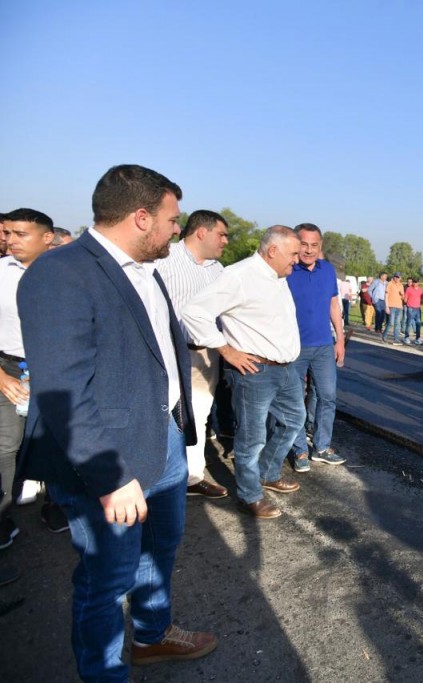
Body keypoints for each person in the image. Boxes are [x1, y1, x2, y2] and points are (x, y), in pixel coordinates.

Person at [18, 165, 217, 680]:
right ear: (141, 216)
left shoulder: (146, 270)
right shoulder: (60, 272)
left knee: (160, 550)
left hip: (165, 441)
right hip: (107, 461)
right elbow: (61, 389)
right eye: (172, 220)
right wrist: (109, 476)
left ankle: (151, 637)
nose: (178, 229)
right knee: (107, 579)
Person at [181, 226, 305, 520]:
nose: (297, 260)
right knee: (252, 438)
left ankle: (267, 472)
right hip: (255, 372)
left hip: (285, 370)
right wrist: (227, 350)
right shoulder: (239, 276)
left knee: (293, 420)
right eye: (293, 254)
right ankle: (250, 495)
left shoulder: (278, 276)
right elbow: (193, 311)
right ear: (272, 251)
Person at [155, 209, 231, 500]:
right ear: (202, 232)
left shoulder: (218, 270)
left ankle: (191, 477)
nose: (225, 241)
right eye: (221, 234)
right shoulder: (165, 259)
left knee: (198, 414)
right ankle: (157, 475)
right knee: (161, 414)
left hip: (205, 356)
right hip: (166, 353)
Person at [0, 208, 55, 549]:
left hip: (56, 369)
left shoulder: (68, 273)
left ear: (47, 237)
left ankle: (59, 506)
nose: (10, 241)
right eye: (8, 234)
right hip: (8, 368)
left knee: (58, 442)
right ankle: (3, 516)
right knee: (6, 444)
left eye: (20, 234)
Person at [285, 223, 346, 472]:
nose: (308, 250)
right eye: (304, 245)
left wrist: (340, 339)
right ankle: (299, 450)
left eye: (314, 245)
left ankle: (321, 447)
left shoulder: (327, 270)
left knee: (328, 397)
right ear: (296, 244)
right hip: (293, 347)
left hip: (323, 346)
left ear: (320, 246)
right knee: (295, 400)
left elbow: (333, 304)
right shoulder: (286, 270)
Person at [384, 272, 405, 344]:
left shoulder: (401, 285)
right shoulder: (390, 283)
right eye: (396, 277)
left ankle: (396, 339)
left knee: (397, 323)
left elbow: (403, 298)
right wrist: (386, 307)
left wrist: (402, 295)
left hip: (399, 306)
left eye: (398, 277)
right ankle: (385, 335)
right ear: (394, 277)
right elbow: (386, 295)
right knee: (391, 322)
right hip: (391, 306)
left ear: (400, 278)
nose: (397, 278)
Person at [403, 277, 423, 344]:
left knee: (418, 323)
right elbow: (405, 299)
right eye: (414, 282)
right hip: (410, 308)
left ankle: (417, 339)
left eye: (416, 282)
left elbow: (422, 299)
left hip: (418, 308)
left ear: (418, 282)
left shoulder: (420, 290)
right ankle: (406, 337)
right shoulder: (409, 289)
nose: (415, 283)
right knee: (409, 323)